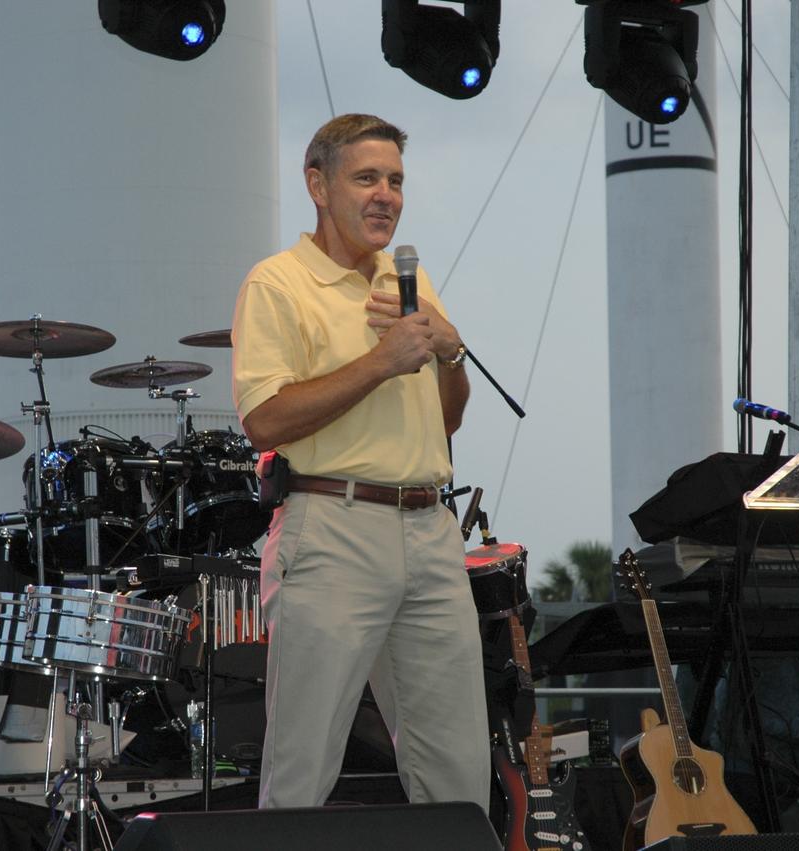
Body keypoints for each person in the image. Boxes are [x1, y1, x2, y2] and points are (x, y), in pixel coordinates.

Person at [230, 113, 489, 811]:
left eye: (396, 180)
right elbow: (265, 419)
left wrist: (451, 351)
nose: (386, 195)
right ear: (318, 184)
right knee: (301, 773)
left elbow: (447, 418)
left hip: (432, 532)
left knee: (460, 776)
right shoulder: (278, 283)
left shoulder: (411, 278)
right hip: (333, 528)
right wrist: (381, 361)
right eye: (366, 177)